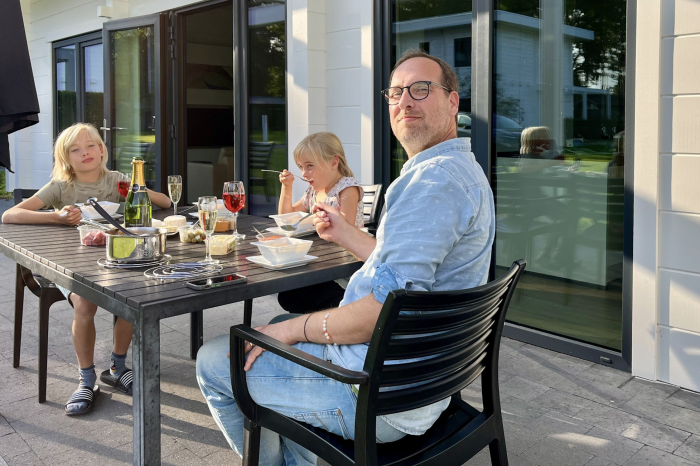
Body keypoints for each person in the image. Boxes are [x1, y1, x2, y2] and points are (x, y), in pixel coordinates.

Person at [196, 50, 495, 466]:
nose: (405, 100)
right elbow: (409, 271)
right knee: (278, 328)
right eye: (396, 92)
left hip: (379, 394)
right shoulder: (460, 170)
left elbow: (381, 312)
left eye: (421, 89)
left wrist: (296, 331)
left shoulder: (434, 180)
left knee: (216, 359)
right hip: (421, 379)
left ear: (452, 101)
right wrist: (347, 235)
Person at [2, 122, 172, 416]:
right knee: (85, 302)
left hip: (114, 259)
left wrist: (135, 188)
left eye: (91, 145)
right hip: (69, 265)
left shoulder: (116, 180)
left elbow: (165, 202)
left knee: (137, 292)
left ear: (102, 150)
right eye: (75, 149)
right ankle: (87, 378)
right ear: (66, 158)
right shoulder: (61, 187)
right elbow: (10, 214)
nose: (85, 153)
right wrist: (56, 217)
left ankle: (117, 368)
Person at [276, 132, 364, 313]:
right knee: (287, 294)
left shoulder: (347, 188)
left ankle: (336, 317)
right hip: (322, 259)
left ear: (334, 162)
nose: (304, 173)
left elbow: (345, 229)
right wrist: (287, 187)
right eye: (300, 167)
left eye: (310, 166)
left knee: (299, 295)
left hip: (344, 265)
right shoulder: (313, 191)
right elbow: (287, 218)